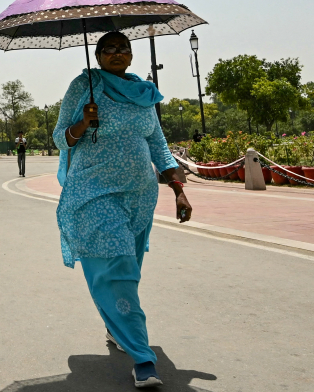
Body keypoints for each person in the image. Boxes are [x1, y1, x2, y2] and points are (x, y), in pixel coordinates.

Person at [51, 31, 192, 388]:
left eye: (123, 48)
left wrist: (177, 189)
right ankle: (143, 358)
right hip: (94, 193)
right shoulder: (85, 86)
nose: (116, 53)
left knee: (128, 269)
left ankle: (117, 327)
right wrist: (83, 122)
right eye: (108, 49)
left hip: (139, 195)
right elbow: (58, 138)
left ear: (131, 55)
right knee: (118, 267)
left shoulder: (143, 92)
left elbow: (157, 143)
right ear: (97, 56)